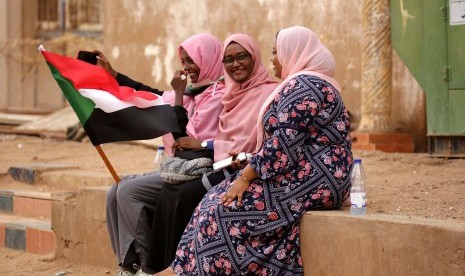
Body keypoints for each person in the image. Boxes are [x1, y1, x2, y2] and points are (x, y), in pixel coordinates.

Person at [158, 26, 353, 275]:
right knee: (212, 200)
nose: (272, 59)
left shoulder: (305, 86)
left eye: (275, 52)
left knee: (224, 211)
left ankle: (196, 271)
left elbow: (283, 144)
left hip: (316, 179)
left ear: (292, 52)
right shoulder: (302, 83)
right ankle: (183, 270)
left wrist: (246, 177)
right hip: (302, 171)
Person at [141, 33, 279, 274]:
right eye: (229, 60)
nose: (235, 64)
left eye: (242, 57)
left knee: (186, 194)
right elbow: (224, 140)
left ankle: (179, 268)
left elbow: (258, 144)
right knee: (171, 190)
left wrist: (205, 146)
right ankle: (159, 267)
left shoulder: (269, 92)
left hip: (251, 169)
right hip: (225, 163)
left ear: (254, 57)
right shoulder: (231, 93)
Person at [101, 33, 226, 276]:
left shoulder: (217, 96)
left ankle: (147, 267)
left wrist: (178, 95)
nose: (187, 68)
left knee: (128, 191)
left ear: (208, 58)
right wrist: (113, 75)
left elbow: (182, 141)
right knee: (115, 190)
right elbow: (150, 94)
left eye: (192, 61)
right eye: (184, 61)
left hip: (197, 170)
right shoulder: (192, 93)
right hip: (176, 170)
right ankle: (129, 264)